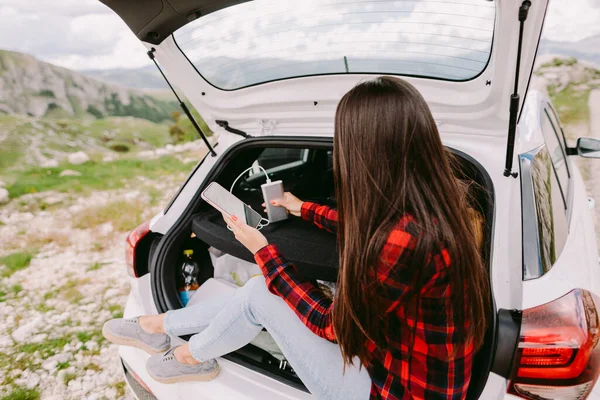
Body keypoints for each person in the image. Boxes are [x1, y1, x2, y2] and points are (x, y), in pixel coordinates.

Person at [102, 76, 489, 399]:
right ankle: (160, 326)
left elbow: (329, 324)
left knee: (259, 290)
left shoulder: (403, 240)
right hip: (402, 362)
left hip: (393, 390)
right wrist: (302, 207)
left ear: (365, 153)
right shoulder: (444, 205)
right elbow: (368, 224)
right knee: (264, 288)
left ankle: (189, 354)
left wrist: (264, 251)